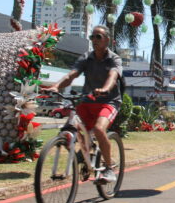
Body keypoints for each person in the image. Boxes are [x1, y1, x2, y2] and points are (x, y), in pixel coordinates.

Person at [42, 25, 122, 182]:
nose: (94, 40)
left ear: (107, 40)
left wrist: (105, 89)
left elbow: (113, 76)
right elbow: (72, 75)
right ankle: (86, 151)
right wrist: (56, 86)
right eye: (92, 37)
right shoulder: (86, 57)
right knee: (68, 131)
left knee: (99, 129)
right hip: (87, 101)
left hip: (108, 101)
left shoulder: (114, 59)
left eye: (98, 37)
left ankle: (108, 167)